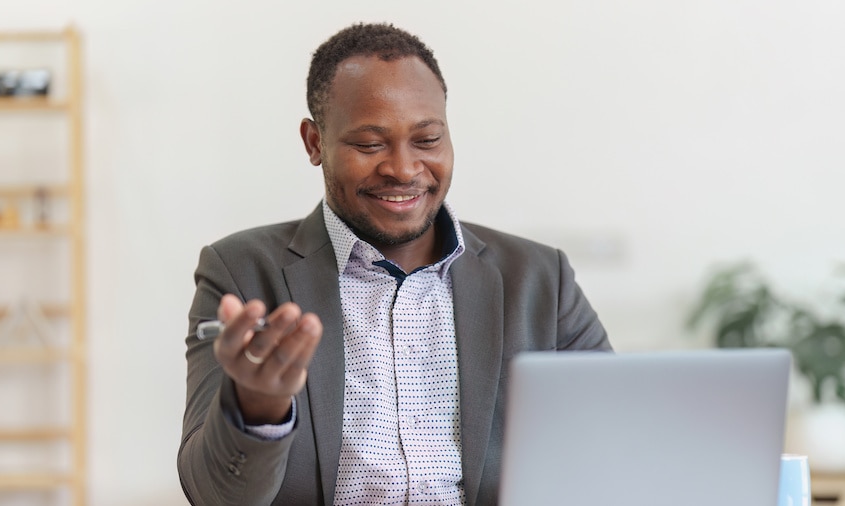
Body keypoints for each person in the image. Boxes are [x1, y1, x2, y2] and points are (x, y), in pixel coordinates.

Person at [178, 22, 612, 506]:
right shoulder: (240, 272)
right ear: (314, 143)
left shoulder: (540, 279)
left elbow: (616, 448)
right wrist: (258, 407)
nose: (403, 169)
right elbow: (213, 495)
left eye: (427, 140)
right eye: (369, 144)